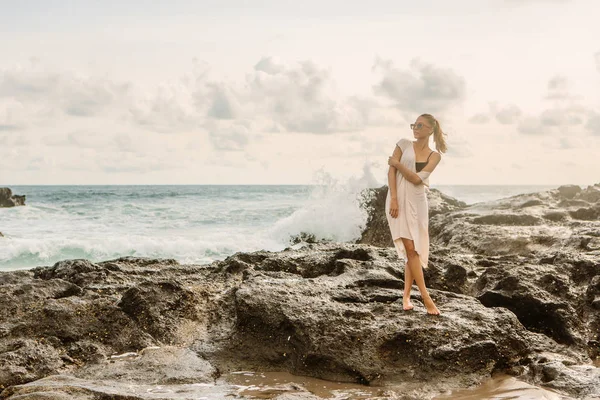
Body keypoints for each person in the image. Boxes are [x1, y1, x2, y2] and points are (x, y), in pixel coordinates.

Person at [385, 114, 447, 315]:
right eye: (414, 124)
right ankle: (426, 297)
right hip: (398, 201)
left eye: (420, 125)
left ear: (431, 129)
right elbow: (390, 173)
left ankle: (406, 297)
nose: (415, 127)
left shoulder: (434, 156)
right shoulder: (403, 143)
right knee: (410, 248)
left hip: (419, 201)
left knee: (415, 251)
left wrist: (398, 163)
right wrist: (393, 198)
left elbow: (417, 179)